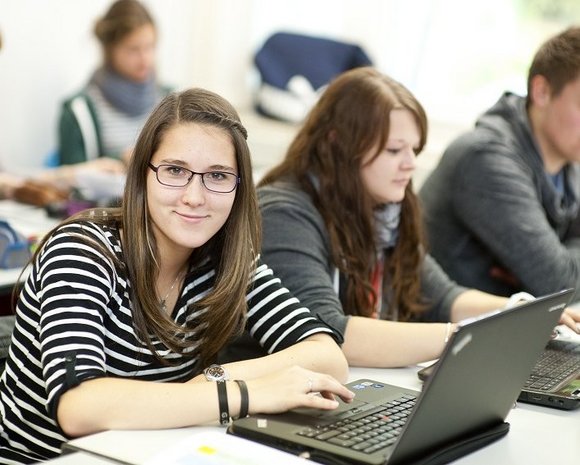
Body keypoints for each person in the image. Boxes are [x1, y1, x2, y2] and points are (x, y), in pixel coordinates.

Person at [0, 88, 353, 464]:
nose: (194, 196)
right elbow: (79, 407)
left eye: (217, 175)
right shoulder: (83, 250)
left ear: (239, 187)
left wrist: (216, 377)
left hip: (144, 454)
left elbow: (328, 356)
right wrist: (243, 394)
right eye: (175, 171)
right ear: (143, 174)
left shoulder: (224, 259)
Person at [220, 66, 580, 369]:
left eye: (414, 149)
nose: (410, 164)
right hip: (259, 405)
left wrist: (519, 311)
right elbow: (330, 331)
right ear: (337, 143)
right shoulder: (284, 212)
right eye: (394, 150)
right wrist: (463, 337)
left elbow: (443, 297)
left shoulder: (382, 211)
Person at [419, 26, 580, 301]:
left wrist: (557, 262)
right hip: (441, 324)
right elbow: (560, 284)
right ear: (541, 91)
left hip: (507, 320)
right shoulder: (486, 158)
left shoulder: (568, 162)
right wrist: (554, 265)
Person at [57, 0, 170, 171]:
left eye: (149, 47)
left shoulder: (171, 101)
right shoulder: (78, 111)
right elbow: (72, 179)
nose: (145, 59)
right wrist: (121, 159)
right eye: (133, 49)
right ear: (110, 50)